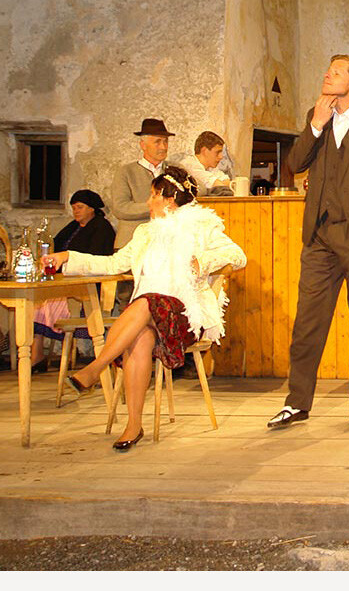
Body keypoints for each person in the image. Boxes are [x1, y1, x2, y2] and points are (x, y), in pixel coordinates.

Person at [52, 167, 247, 449]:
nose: (147, 202)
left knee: (146, 302)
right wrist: (67, 258)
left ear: (169, 199)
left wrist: (202, 261)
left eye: (152, 195)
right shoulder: (145, 233)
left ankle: (95, 368)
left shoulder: (202, 226)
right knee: (141, 336)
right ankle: (133, 425)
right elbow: (112, 264)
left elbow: (237, 256)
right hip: (145, 315)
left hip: (184, 315)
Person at [267, 54, 349, 430]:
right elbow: (295, 163)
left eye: (337, 72)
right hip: (319, 238)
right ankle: (297, 402)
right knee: (307, 322)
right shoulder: (318, 116)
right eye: (328, 69)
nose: (328, 74)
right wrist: (314, 124)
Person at [31, 189, 118, 362]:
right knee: (37, 300)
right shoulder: (74, 226)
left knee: (48, 302)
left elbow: (96, 257)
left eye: (80, 207)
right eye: (74, 208)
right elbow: (55, 244)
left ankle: (38, 354)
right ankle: (37, 349)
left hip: (88, 282)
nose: (76, 211)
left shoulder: (102, 227)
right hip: (64, 279)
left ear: (91, 209)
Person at [111, 117, 175, 245]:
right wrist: (157, 206)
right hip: (132, 244)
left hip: (166, 244)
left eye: (165, 141)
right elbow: (120, 208)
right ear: (143, 145)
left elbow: (196, 189)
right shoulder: (125, 172)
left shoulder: (174, 170)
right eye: (157, 142)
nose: (163, 147)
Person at [176, 131, 236, 196]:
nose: (221, 157)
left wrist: (223, 184)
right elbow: (219, 186)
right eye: (217, 152)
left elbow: (229, 184)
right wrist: (221, 184)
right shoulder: (189, 165)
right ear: (204, 151)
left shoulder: (211, 168)